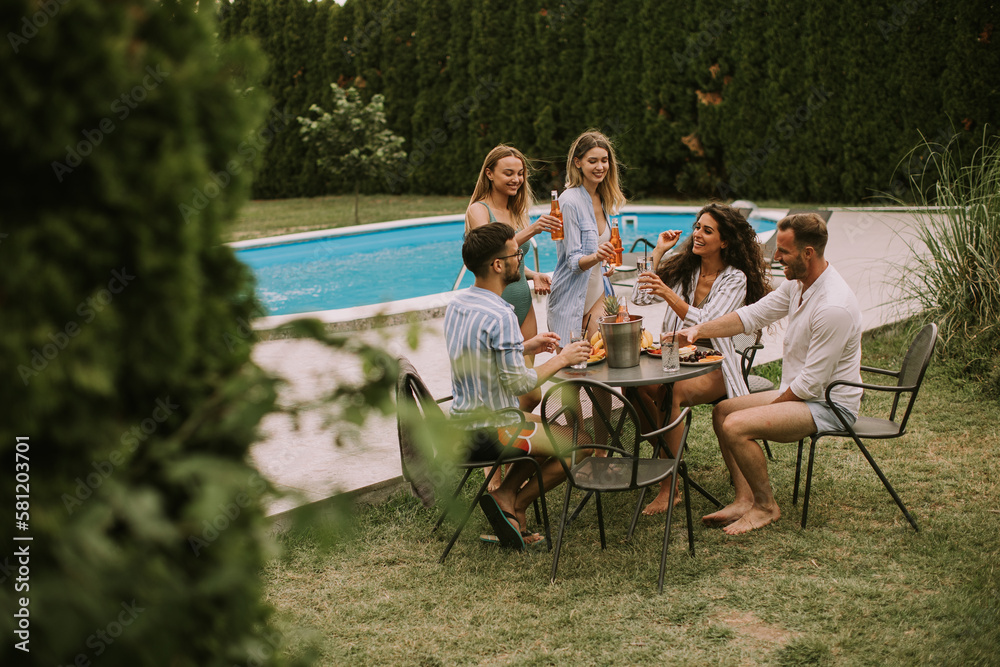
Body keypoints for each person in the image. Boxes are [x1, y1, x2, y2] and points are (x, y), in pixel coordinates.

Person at [676, 213, 862, 535]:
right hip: (803, 392)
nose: (775, 258)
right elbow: (751, 316)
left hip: (828, 404)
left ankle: (765, 506)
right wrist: (698, 330)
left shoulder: (834, 306)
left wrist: (763, 410)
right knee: (723, 410)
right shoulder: (798, 286)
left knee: (735, 425)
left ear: (808, 253)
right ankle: (744, 498)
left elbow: (811, 384)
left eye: (783, 251)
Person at [444, 223, 591, 549]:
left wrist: (524, 347)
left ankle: (506, 496)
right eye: (516, 254)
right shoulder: (501, 315)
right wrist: (563, 358)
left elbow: (479, 351)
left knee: (552, 434)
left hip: (462, 425)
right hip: (492, 432)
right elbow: (520, 383)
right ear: (498, 265)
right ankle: (515, 503)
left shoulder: (458, 304)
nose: (520, 259)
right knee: (580, 443)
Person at [634, 203, 771, 515]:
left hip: (715, 364)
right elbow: (641, 297)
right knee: (636, 388)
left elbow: (704, 321)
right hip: (672, 357)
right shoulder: (686, 269)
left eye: (707, 230)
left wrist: (667, 294)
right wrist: (657, 254)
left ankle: (669, 489)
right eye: (697, 227)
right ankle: (665, 457)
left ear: (724, 241)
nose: (697, 234)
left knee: (671, 392)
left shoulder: (734, 278)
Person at [465, 144, 562, 413]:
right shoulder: (479, 210)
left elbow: (513, 260)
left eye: (520, 173)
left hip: (523, 303)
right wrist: (532, 229)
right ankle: (498, 435)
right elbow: (491, 252)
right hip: (496, 307)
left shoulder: (516, 210)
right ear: (489, 173)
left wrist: (533, 274)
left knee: (530, 392)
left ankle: (514, 443)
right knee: (511, 390)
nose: (516, 179)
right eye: (508, 173)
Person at [546, 130, 626, 345]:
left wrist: (606, 260)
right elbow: (574, 262)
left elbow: (599, 250)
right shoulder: (569, 201)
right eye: (593, 161)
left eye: (604, 160)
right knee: (573, 374)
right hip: (570, 297)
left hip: (597, 292)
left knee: (606, 359)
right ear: (577, 162)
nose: (600, 167)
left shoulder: (603, 198)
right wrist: (598, 256)